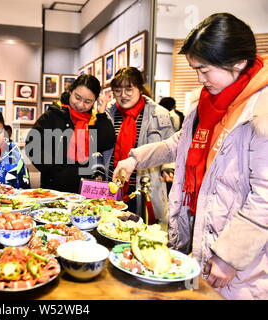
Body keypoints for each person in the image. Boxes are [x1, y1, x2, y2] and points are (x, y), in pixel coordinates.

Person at [113, 13, 268, 300]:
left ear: (238, 62)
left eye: (205, 70)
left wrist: (231, 255)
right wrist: (135, 158)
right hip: (200, 230)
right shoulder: (207, 102)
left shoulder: (261, 110)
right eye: (195, 69)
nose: (199, 79)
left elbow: (265, 196)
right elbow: (179, 142)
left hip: (241, 258)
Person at [97, 67, 175, 224]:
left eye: (128, 89)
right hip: (112, 187)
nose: (123, 95)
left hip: (145, 188)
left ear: (140, 88)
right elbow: (98, 148)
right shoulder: (108, 113)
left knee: (144, 232)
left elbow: (170, 145)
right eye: (117, 90)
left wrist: (169, 168)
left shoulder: (159, 113)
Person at [25, 74, 115, 193]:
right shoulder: (54, 114)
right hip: (55, 190)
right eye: (77, 97)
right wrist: (53, 168)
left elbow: (106, 143)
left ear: (95, 101)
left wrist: (102, 114)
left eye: (88, 101)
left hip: (87, 191)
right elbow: (32, 144)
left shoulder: (95, 119)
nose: (80, 104)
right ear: (71, 91)